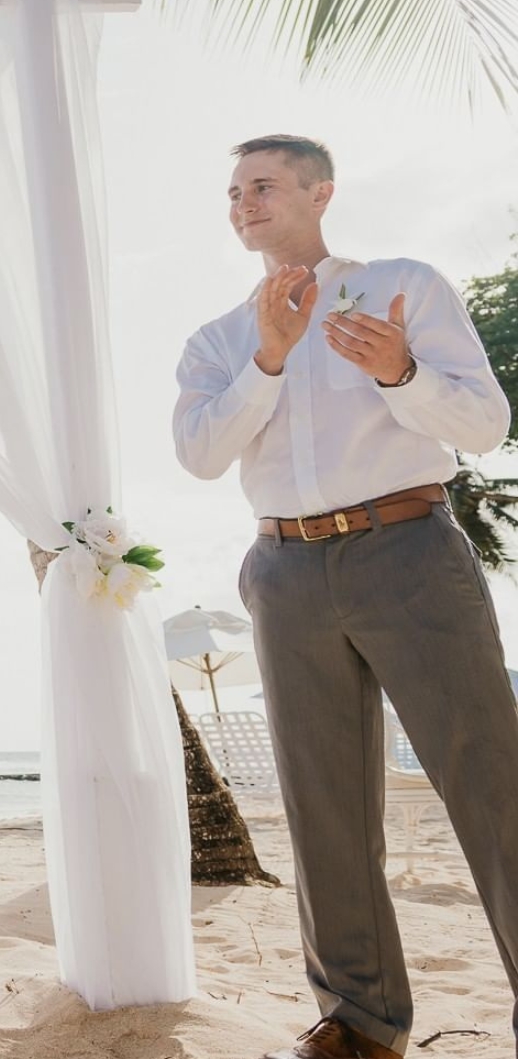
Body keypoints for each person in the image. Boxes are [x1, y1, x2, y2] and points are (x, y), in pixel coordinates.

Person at [173, 135, 518, 1059]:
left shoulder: (404, 284)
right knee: (320, 800)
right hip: (283, 573)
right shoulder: (219, 338)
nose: (245, 200)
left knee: (490, 779)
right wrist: (269, 361)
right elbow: (202, 455)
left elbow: (486, 425)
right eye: (234, 189)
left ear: (321, 192)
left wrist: (400, 372)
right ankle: (361, 1022)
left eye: (265, 184)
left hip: (408, 551)